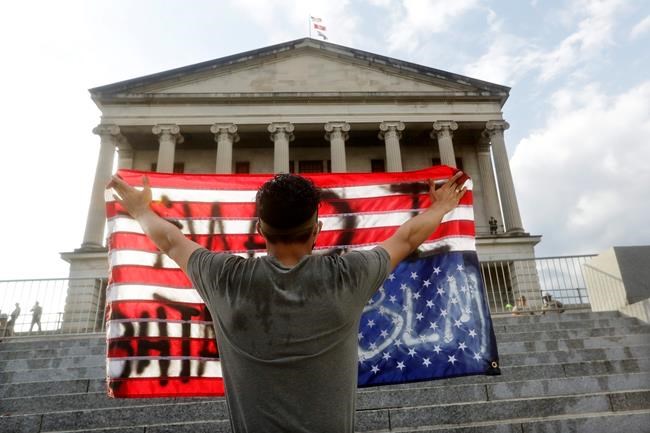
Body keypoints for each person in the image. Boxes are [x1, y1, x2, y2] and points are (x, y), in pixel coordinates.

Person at [108, 170, 466, 433]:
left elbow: (170, 241)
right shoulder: (350, 276)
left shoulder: (224, 278)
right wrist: (443, 207)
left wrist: (140, 209)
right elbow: (406, 238)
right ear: (316, 230)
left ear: (260, 229)